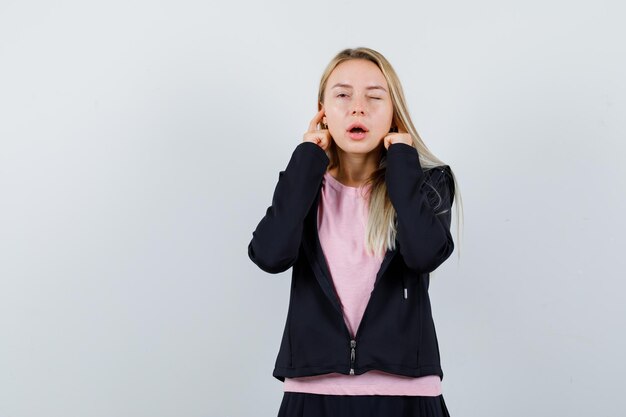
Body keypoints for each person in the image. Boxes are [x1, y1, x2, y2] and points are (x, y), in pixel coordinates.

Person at [248, 47, 462, 417]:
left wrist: (402, 167)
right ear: (323, 111)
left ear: (393, 111)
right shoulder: (303, 185)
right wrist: (305, 160)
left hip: (407, 394)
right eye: (343, 95)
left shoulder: (426, 182)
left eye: (375, 97)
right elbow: (269, 255)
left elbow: (424, 254)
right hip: (312, 392)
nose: (358, 107)